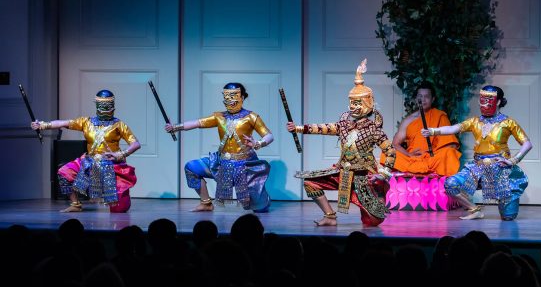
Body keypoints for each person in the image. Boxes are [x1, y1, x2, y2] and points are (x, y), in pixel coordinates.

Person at [286, 59, 396, 226]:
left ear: (367, 103)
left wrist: (384, 173)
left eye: (357, 103)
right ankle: (329, 216)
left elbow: (391, 151)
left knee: (373, 221)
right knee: (310, 183)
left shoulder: (374, 129)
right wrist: (299, 128)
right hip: (343, 173)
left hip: (363, 177)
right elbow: (323, 128)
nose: (353, 106)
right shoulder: (344, 124)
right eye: (352, 102)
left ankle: (376, 202)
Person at [421, 85, 532, 220]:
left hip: (501, 170)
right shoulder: (475, 122)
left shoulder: (508, 123)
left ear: (497, 102)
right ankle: (474, 209)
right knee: (450, 184)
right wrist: (433, 131)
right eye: (482, 100)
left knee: (509, 217)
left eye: (488, 100)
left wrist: (513, 160)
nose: (484, 104)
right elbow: (454, 128)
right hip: (478, 167)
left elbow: (527, 144)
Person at [166, 83, 273, 213]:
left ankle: (261, 201)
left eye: (233, 96)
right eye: (227, 96)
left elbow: (269, 135)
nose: (230, 100)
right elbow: (197, 123)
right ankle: (206, 203)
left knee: (260, 208)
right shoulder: (219, 117)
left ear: (242, 97)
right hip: (221, 163)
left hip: (245, 165)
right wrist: (175, 127)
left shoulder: (251, 117)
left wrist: (258, 143)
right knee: (191, 167)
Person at [31, 90, 140, 213]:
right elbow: (65, 123)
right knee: (64, 172)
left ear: (113, 106)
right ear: (97, 106)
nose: (105, 109)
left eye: (108, 106)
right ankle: (75, 204)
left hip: (112, 165)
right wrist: (43, 125)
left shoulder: (119, 125)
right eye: (102, 106)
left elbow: (136, 144)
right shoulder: (86, 122)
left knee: (120, 208)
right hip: (90, 162)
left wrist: (120, 154)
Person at [380, 81, 461, 176]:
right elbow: (395, 144)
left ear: (432, 99)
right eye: (420, 96)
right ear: (416, 98)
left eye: (426, 96)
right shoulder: (408, 120)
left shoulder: (439, 116)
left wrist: (434, 155)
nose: (423, 100)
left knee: (450, 153)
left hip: (433, 159)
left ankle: (426, 169)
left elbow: (451, 145)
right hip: (412, 159)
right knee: (387, 154)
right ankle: (417, 169)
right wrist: (408, 154)